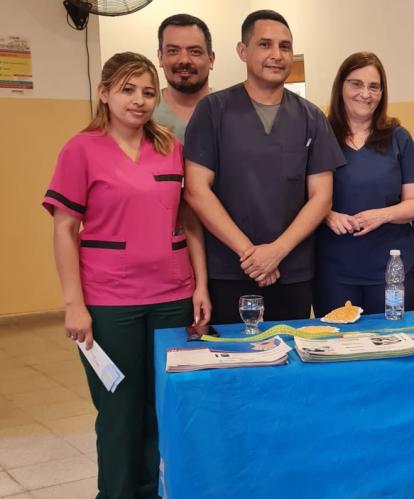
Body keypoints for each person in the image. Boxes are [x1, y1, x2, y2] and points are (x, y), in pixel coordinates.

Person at [42, 52, 210, 499]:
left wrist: (201, 286)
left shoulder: (170, 147)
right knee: (119, 411)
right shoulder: (81, 149)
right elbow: (64, 228)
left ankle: (151, 491)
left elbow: (190, 219)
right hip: (110, 301)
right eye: (127, 90)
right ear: (104, 93)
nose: (139, 101)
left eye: (148, 92)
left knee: (160, 409)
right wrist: (73, 304)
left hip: (172, 296)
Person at [184, 10, 345, 323]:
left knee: (288, 364)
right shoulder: (213, 111)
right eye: (265, 45)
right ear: (243, 51)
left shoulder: (311, 117)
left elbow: (322, 197)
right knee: (233, 363)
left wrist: (276, 252)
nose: (277, 55)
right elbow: (196, 190)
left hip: (292, 271)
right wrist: (251, 254)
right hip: (229, 269)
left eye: (285, 47)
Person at [313, 52, 414, 316]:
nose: (366, 94)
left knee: (390, 342)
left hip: (390, 267)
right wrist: (326, 214)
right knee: (337, 344)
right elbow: (301, 196)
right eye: (356, 84)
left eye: (373, 86)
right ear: (340, 86)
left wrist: (382, 215)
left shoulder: (398, 138)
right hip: (334, 267)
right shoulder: (321, 135)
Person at [153, 13, 215, 140]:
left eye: (194, 52)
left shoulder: (231, 111)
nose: (184, 60)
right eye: (173, 51)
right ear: (160, 57)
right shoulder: (142, 112)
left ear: (211, 59)